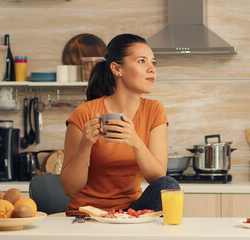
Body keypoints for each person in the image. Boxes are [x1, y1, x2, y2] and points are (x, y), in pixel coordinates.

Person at [60, 33, 180, 216]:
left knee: (168, 185)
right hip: (89, 215)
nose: (152, 69)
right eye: (142, 61)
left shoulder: (155, 110)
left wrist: (136, 142)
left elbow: (157, 178)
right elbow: (69, 189)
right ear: (117, 69)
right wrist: (85, 145)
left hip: (130, 214)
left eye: (153, 63)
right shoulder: (85, 113)